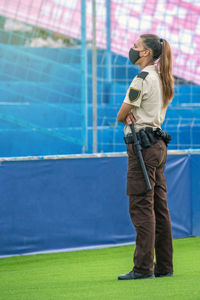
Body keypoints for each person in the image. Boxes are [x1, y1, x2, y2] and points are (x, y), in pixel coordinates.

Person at [117, 34, 174, 280]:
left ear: (146, 53)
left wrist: (125, 116)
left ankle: (142, 268)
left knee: (142, 206)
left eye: (136, 47)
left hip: (142, 147)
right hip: (158, 144)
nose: (132, 49)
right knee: (160, 208)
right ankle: (164, 266)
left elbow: (122, 114)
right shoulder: (162, 78)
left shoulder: (141, 78)